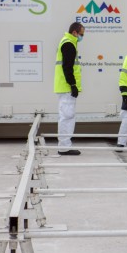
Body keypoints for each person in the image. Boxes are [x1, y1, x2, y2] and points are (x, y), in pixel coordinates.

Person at [54, 22, 85, 156]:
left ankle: (64, 145)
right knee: (67, 116)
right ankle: (64, 146)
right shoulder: (69, 44)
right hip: (67, 87)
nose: (82, 37)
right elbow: (67, 67)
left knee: (66, 116)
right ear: (74, 32)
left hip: (64, 86)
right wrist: (72, 85)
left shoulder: (68, 42)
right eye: (81, 34)